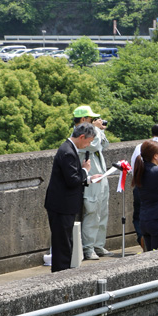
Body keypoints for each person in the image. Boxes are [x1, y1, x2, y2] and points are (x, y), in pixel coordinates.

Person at [44, 122, 98, 272]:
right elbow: (72, 180)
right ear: (81, 137)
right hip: (61, 205)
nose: (88, 145)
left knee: (66, 242)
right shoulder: (67, 151)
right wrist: (85, 171)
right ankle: (61, 274)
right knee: (63, 244)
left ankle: (63, 272)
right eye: (88, 141)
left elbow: (72, 177)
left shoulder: (68, 148)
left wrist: (88, 178)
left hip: (62, 204)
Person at [72, 105, 112, 260]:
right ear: (83, 120)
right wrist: (95, 130)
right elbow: (95, 145)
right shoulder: (78, 136)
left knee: (103, 212)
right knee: (92, 212)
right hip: (90, 179)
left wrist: (99, 130)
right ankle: (88, 248)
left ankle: (98, 245)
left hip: (101, 177)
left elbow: (104, 145)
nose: (94, 121)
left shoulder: (93, 133)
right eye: (91, 119)